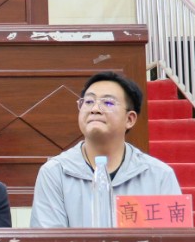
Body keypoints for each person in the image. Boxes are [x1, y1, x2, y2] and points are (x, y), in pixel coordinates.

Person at [30, 71, 181, 228]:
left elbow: (171, 239)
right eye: (89, 102)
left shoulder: (159, 175)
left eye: (108, 103)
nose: (95, 109)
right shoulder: (56, 173)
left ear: (129, 119)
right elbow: (49, 240)